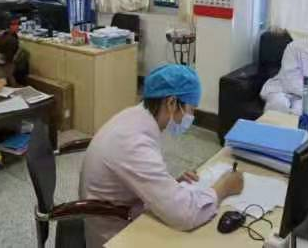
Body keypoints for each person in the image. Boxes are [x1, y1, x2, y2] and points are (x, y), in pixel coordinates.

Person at [79, 64, 244, 247]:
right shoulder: (135, 143)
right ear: (171, 102)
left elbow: (139, 177)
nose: (191, 117)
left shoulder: (135, 117)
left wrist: (169, 183)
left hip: (123, 210)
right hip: (115, 234)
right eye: (191, 109)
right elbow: (184, 215)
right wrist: (223, 188)